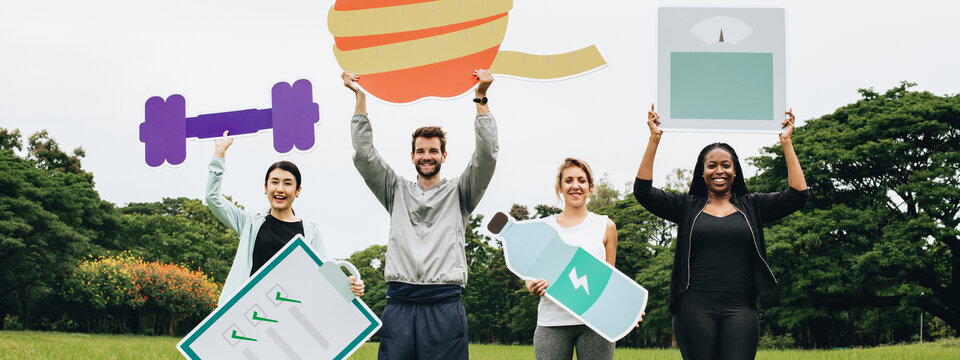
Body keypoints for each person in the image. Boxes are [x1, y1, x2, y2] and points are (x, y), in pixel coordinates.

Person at [342, 70, 498, 360]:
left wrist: (481, 99)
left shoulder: (461, 192)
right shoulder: (395, 189)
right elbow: (364, 156)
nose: (427, 156)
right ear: (412, 156)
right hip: (400, 303)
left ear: (444, 156)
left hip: (443, 305)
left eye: (434, 151)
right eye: (421, 151)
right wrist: (361, 98)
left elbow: (486, 157)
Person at [633, 105, 809, 360]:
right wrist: (654, 139)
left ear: (735, 171)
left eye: (725, 165)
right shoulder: (686, 206)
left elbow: (798, 196)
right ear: (702, 172)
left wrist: (786, 142)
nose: (719, 171)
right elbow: (643, 192)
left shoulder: (753, 205)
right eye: (712, 165)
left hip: (741, 308)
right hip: (693, 308)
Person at [206, 131, 364, 306]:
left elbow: (326, 276)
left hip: (288, 314)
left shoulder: (310, 231)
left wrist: (353, 286)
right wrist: (219, 154)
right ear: (265, 188)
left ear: (298, 191)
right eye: (274, 182)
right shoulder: (249, 223)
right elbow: (213, 199)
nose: (280, 189)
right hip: (246, 310)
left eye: (288, 183)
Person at [525, 158, 619, 360]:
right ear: (560, 187)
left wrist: (628, 309)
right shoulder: (543, 228)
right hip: (552, 323)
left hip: (596, 324)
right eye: (568, 180)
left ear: (590, 187)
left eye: (581, 180)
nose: (575, 185)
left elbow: (611, 279)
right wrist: (531, 285)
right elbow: (530, 274)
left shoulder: (606, 226)